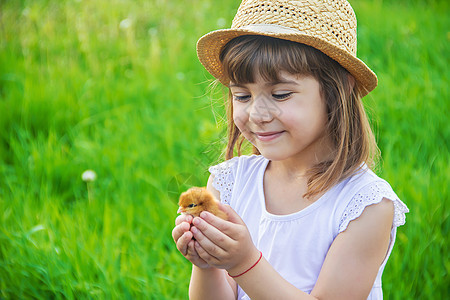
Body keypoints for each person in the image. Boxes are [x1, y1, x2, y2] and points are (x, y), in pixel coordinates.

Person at [172, 0, 409, 299]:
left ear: (340, 89)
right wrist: (207, 262)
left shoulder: (364, 205)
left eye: (281, 94)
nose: (257, 113)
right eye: (242, 95)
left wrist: (244, 263)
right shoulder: (229, 183)